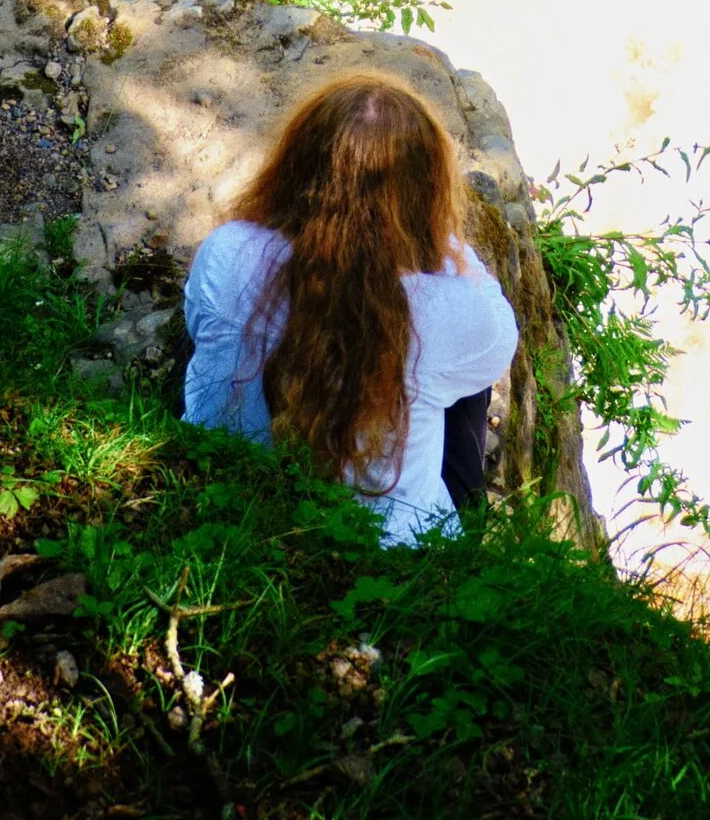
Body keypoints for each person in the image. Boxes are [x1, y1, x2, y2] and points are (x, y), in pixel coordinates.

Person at [181, 75, 518, 544]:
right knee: (465, 391)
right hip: (391, 547)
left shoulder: (226, 251)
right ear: (422, 197)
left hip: (222, 492)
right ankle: (467, 536)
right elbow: (500, 339)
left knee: (226, 325)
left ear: (294, 167)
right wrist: (443, 243)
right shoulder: (448, 310)